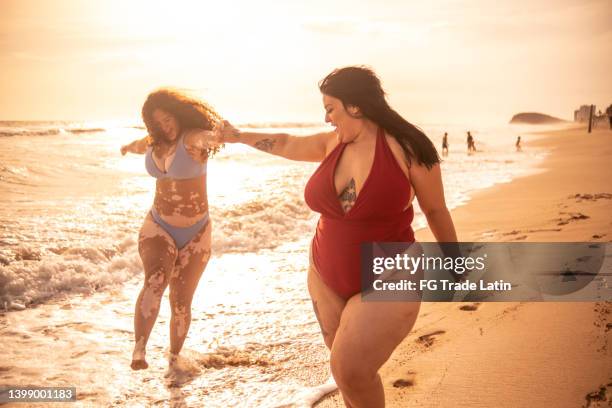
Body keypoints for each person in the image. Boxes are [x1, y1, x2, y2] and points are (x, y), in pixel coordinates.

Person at [220, 66, 457, 407]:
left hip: (389, 273)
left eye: (331, 108)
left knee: (350, 370)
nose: (327, 118)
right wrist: (238, 136)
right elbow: (286, 143)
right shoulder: (332, 144)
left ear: (355, 107)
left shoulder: (409, 149)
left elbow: (435, 210)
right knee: (348, 373)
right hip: (325, 273)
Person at [120, 89, 222, 371]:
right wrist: (128, 146)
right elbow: (141, 145)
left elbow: (206, 138)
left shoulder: (191, 138)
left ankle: (174, 360)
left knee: (181, 302)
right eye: (159, 123)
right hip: (158, 225)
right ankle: (139, 351)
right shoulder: (154, 141)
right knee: (155, 279)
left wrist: (217, 135)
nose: (166, 127)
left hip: (197, 232)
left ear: (177, 114)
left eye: (168, 119)